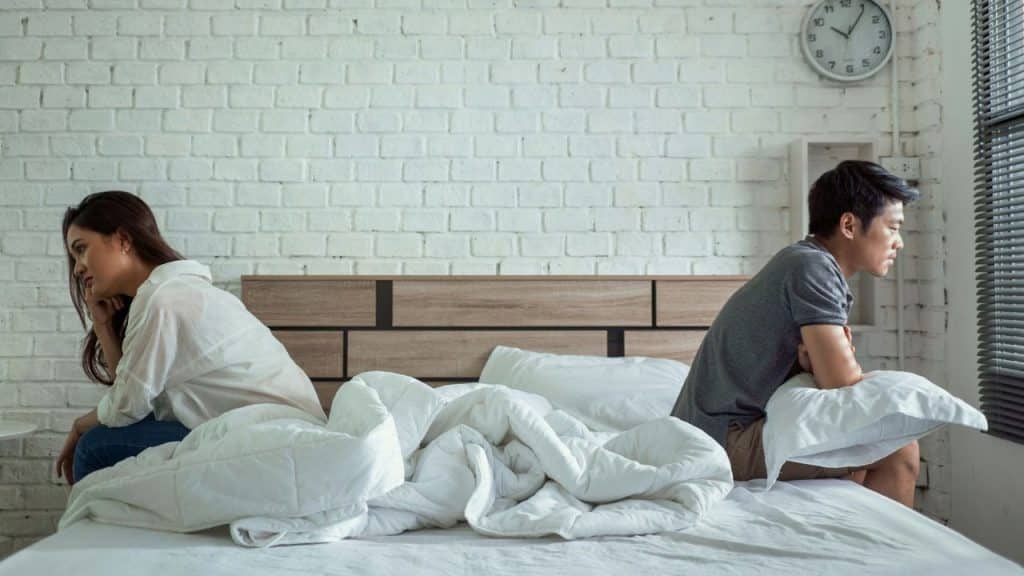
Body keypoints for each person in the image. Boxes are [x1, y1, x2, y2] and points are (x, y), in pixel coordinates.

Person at [670, 160, 922, 507]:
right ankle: (897, 559)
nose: (899, 243)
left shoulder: (803, 262)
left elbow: (827, 378)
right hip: (719, 441)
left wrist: (814, 365)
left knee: (862, 458)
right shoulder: (813, 268)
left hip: (709, 432)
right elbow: (841, 383)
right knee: (897, 449)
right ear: (849, 224)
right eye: (893, 227)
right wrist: (824, 367)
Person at [56, 191, 326, 485]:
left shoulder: (164, 300)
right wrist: (104, 327)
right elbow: (131, 394)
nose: (79, 267)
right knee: (106, 436)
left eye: (81, 249)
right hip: (273, 426)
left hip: (274, 435)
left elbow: (125, 407)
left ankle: (93, 530)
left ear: (123, 240)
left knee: (93, 448)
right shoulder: (172, 291)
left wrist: (79, 425)